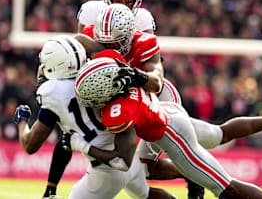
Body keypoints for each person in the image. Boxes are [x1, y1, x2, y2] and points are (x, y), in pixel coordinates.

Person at [70, 56, 262, 199]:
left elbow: (122, 160)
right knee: (219, 134)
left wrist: (81, 145)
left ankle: (192, 173)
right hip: (170, 113)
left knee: (225, 188)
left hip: (170, 135)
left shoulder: (120, 110)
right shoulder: (127, 80)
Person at [46, 0, 204, 199]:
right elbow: (75, 54)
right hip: (111, 89)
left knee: (210, 137)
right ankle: (50, 188)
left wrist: (81, 145)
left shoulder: (143, 36)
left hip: (142, 93)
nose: (110, 44)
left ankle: (194, 173)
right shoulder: (90, 23)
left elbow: (154, 76)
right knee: (138, 182)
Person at [14, 35, 176, 199]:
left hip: (106, 169)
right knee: (147, 195)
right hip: (130, 156)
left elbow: (30, 145)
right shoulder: (99, 74)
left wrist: (22, 120)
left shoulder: (53, 95)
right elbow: (65, 142)